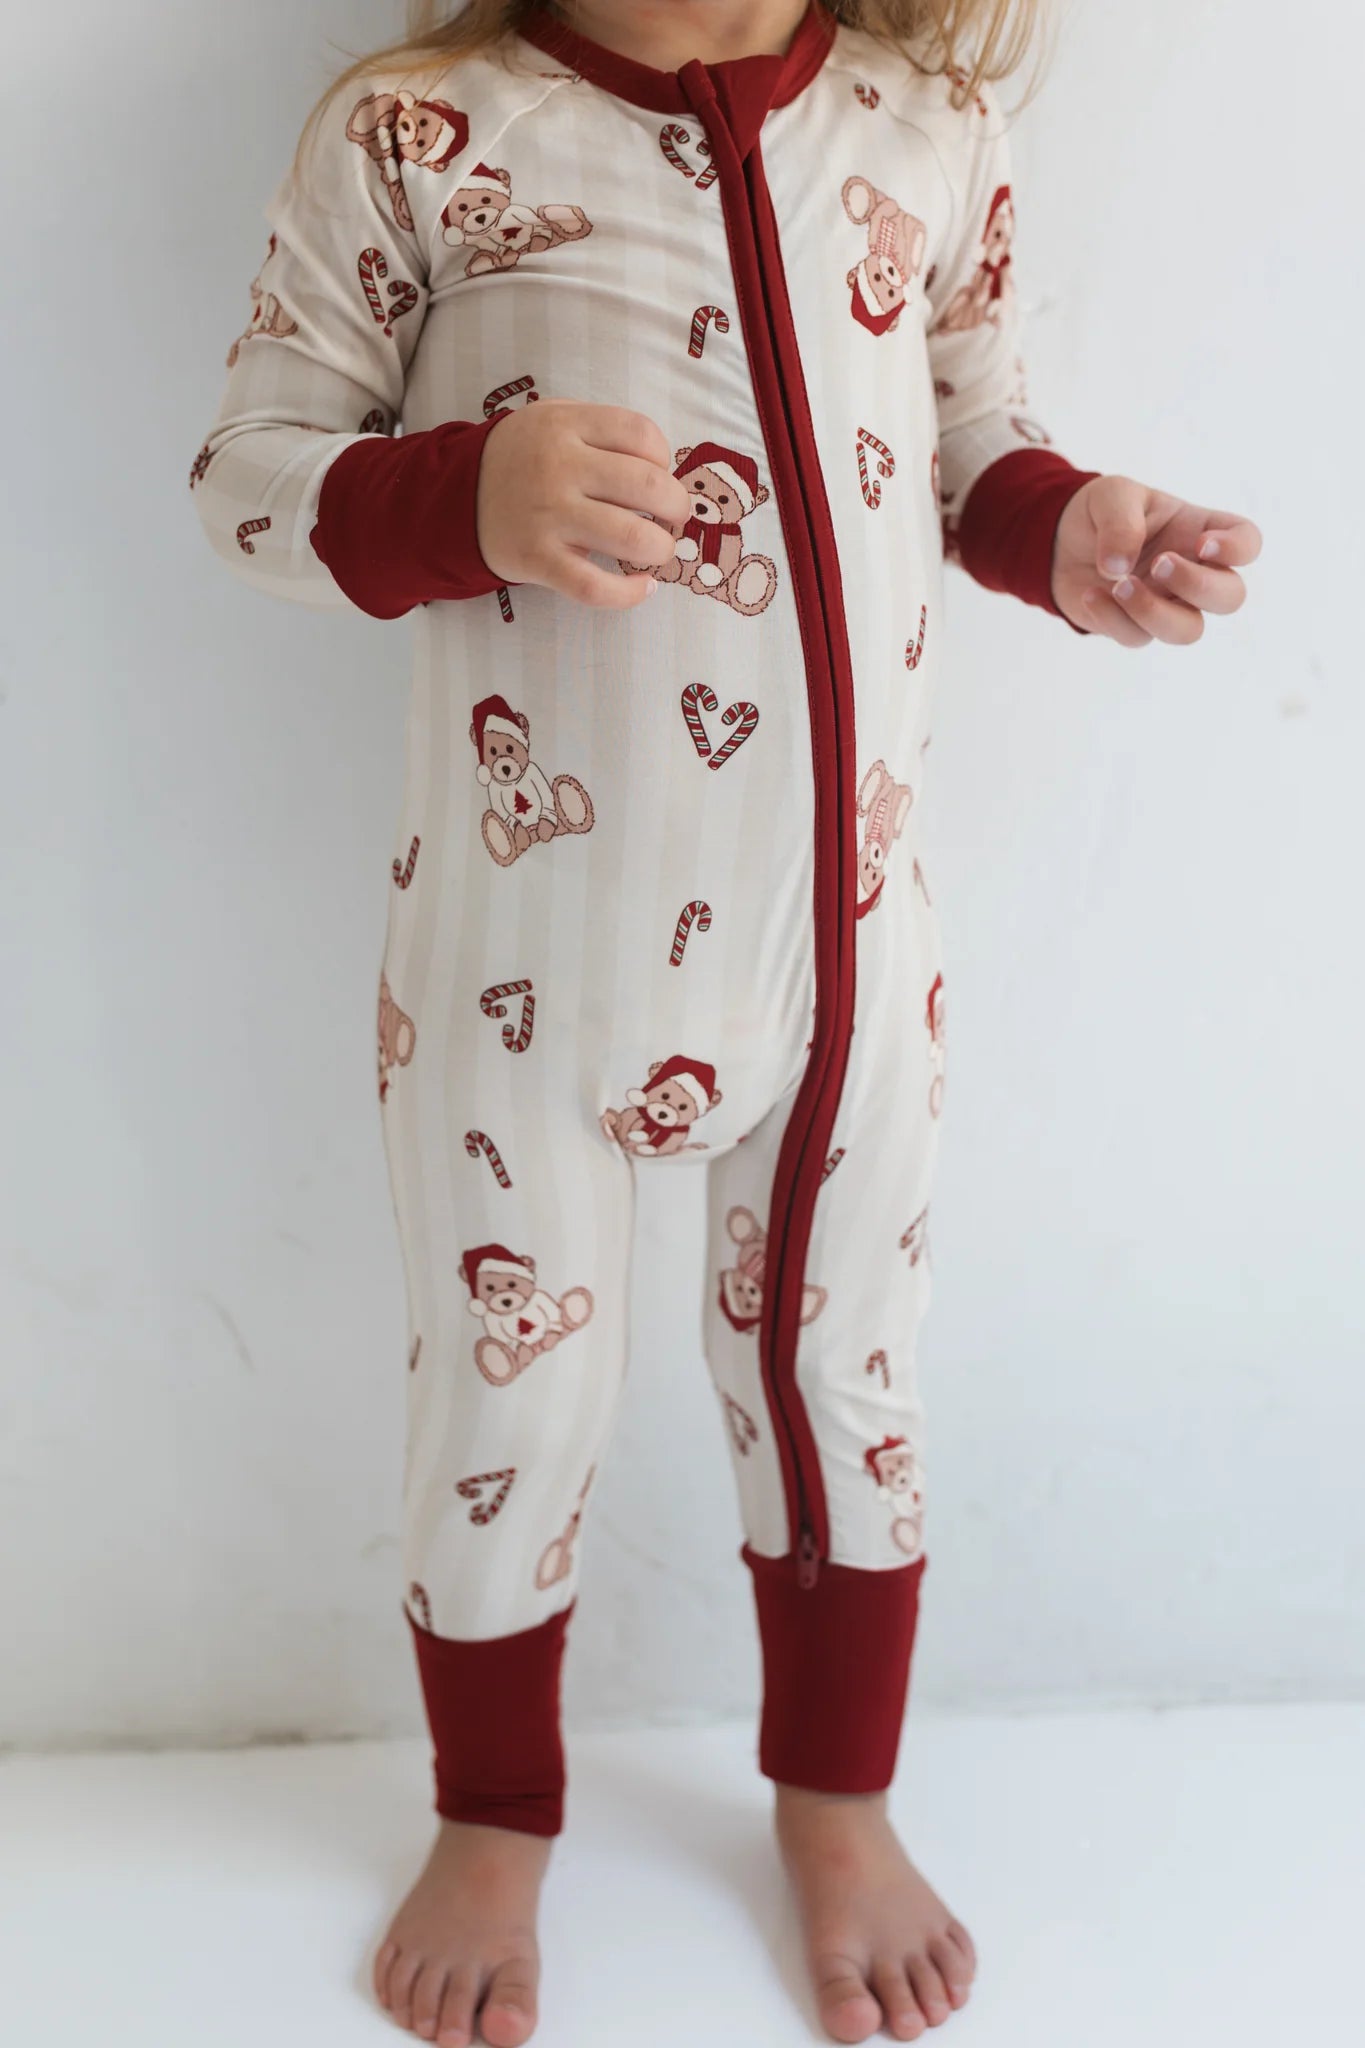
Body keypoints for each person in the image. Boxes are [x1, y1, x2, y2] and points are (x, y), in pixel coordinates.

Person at [190, 3, 1261, 2042]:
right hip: (521, 973)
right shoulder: (422, 135)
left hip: (844, 965)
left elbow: (966, 437)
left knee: (845, 1381)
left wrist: (1066, 528)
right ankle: (493, 1813)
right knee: (510, 1405)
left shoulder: (920, 124)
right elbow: (245, 481)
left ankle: (837, 1805)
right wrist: (465, 494)